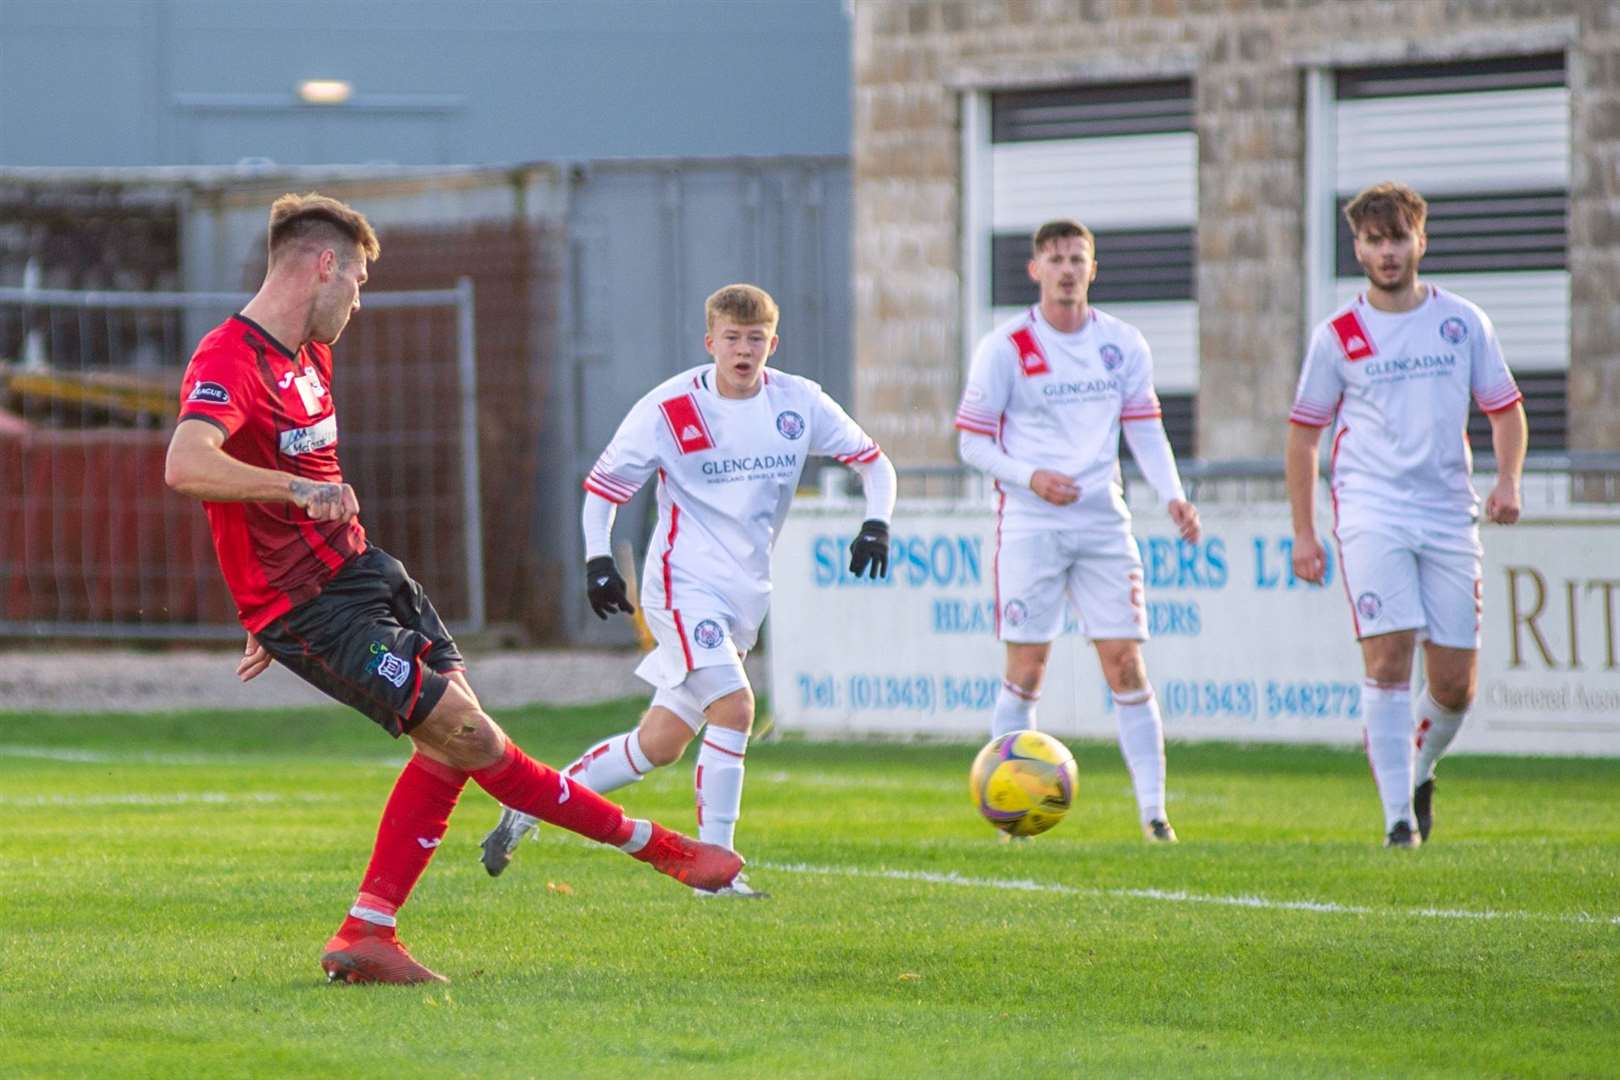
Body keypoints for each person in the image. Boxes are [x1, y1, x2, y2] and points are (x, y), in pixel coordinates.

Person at [165, 192, 742, 985]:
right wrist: (277, 556)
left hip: (367, 574)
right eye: (359, 282)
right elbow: (187, 464)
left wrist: (272, 545)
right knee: (472, 739)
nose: (359, 301)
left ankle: (367, 932)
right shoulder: (230, 358)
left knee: (456, 742)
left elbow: (279, 492)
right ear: (323, 265)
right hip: (312, 611)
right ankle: (661, 848)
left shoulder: (309, 355)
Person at [479, 283, 896, 893]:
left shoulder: (798, 403)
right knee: (737, 706)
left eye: (756, 339)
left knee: (660, 744)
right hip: (681, 585)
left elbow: (873, 462)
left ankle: (531, 804)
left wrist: (877, 523)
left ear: (772, 343)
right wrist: (598, 560)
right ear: (710, 343)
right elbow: (603, 488)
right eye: (732, 338)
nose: (744, 350)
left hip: (745, 595)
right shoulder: (670, 409)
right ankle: (716, 871)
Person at [1286, 181, 1526, 848]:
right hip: (1370, 510)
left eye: (1398, 238)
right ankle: (1398, 820)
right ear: (1358, 248)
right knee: (1389, 658)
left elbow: (1505, 409)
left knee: (1455, 686)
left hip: (1450, 512)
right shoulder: (1338, 336)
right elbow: (1305, 434)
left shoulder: (1462, 322)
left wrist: (1508, 482)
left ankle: (1418, 771)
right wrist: (1305, 531)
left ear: (1420, 240)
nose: (1387, 252)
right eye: (1373, 240)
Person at [953, 219, 1200, 843]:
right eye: (1056, 258)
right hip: (1031, 522)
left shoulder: (1121, 343)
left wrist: (1172, 496)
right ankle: (1007, 815)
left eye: (1077, 259)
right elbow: (971, 441)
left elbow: (1144, 426)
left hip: (1101, 521)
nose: (1067, 269)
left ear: (1093, 269)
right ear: (1036, 270)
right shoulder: (1006, 347)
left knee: (1125, 664)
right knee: (1027, 668)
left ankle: (1154, 813)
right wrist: (1029, 476)